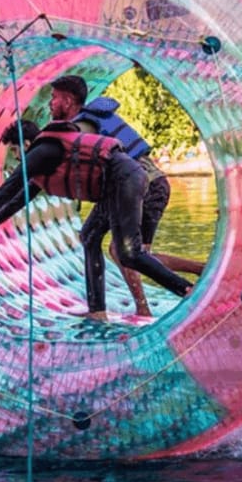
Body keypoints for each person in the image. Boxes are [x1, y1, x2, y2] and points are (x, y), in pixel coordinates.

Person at [0, 119, 193, 321]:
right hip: (114, 184)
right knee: (89, 236)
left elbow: (8, 188)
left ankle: (186, 291)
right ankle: (97, 311)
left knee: (128, 253)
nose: (17, 159)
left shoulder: (42, 152)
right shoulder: (45, 161)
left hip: (125, 179)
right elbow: (17, 200)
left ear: (26, 144)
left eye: (15, 151)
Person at [47, 75, 204, 317]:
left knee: (126, 252)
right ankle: (107, 309)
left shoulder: (84, 126)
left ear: (67, 101)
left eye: (54, 98)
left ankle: (154, 303)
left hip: (141, 187)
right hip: (149, 185)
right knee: (103, 241)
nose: (49, 103)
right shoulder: (90, 120)